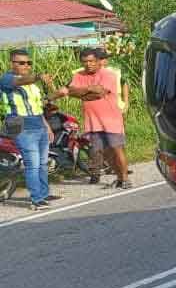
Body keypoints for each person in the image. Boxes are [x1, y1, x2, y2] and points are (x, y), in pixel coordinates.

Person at [54, 48, 132, 189]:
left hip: (111, 119)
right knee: (105, 152)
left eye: (91, 61)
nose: (88, 64)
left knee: (117, 148)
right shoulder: (78, 75)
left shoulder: (109, 75)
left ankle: (125, 179)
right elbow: (71, 92)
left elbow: (99, 93)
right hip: (92, 120)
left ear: (98, 62)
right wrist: (88, 89)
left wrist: (80, 92)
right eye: (85, 61)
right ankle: (119, 178)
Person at [0, 49, 61, 209]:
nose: (26, 65)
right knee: (32, 163)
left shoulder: (31, 84)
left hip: (38, 125)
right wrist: (39, 76)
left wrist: (46, 126)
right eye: (22, 63)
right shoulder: (7, 79)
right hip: (21, 126)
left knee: (42, 163)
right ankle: (36, 199)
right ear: (12, 63)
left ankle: (43, 194)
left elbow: (37, 106)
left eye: (28, 63)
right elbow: (20, 81)